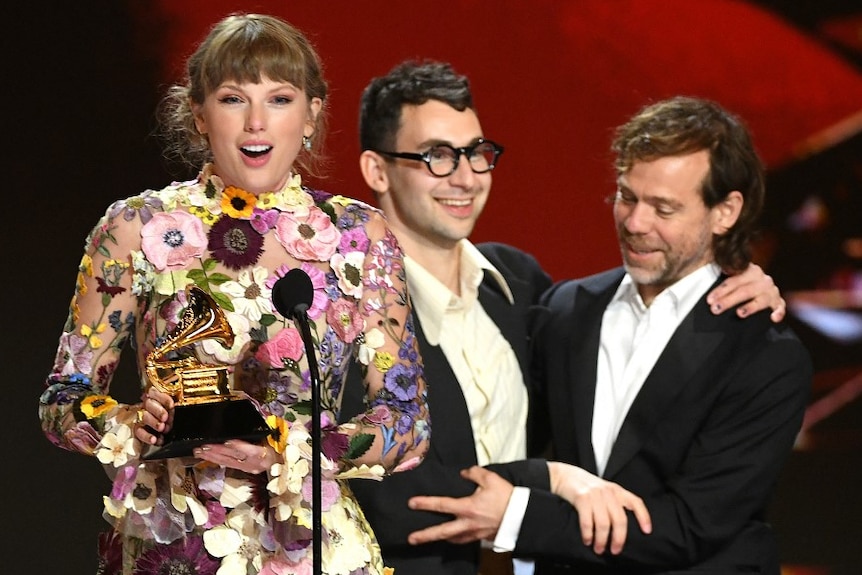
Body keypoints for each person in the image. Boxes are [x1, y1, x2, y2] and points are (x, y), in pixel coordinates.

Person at [339, 62, 789, 575]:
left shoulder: (522, 287)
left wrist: (737, 274)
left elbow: (695, 519)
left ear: (724, 211)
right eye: (437, 155)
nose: (465, 177)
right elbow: (373, 485)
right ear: (377, 170)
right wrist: (550, 478)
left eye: (477, 154)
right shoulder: (348, 307)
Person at [38, 14, 430, 575]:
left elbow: (408, 420)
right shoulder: (135, 228)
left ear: (312, 113)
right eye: (231, 99)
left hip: (313, 548)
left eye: (279, 98)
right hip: (174, 545)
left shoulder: (360, 237)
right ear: (198, 113)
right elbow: (62, 399)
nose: (255, 123)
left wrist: (294, 451)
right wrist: (128, 424)